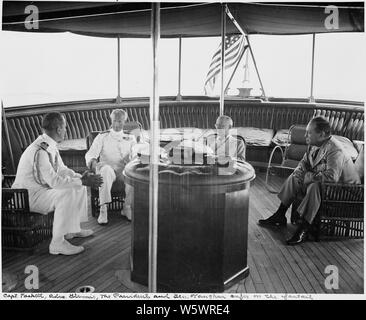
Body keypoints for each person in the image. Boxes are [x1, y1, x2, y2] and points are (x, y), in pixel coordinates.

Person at [258, 116, 361, 245]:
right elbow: (303, 164)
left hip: (345, 193)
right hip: (328, 187)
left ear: (322, 134)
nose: (305, 135)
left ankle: (304, 229)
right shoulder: (314, 145)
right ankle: (280, 214)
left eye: (309, 132)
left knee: (315, 187)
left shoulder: (336, 150)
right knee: (294, 178)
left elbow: (332, 177)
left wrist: (310, 178)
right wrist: (300, 174)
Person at [12, 112, 103, 255]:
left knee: (78, 184)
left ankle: (71, 230)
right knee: (66, 192)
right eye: (65, 127)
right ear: (59, 129)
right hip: (27, 197)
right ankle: (57, 243)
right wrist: (81, 181)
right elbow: (54, 182)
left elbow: (61, 169)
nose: (66, 130)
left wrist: (79, 177)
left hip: (40, 190)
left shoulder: (49, 144)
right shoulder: (40, 151)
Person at [85, 109, 136, 225]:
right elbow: (91, 154)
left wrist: (133, 160)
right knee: (106, 171)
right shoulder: (102, 136)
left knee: (132, 172)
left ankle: (126, 207)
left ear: (124, 121)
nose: (117, 124)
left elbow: (136, 154)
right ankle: (103, 209)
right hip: (107, 169)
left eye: (120, 121)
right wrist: (93, 165)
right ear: (111, 121)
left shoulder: (131, 137)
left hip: (123, 170)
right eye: (115, 121)